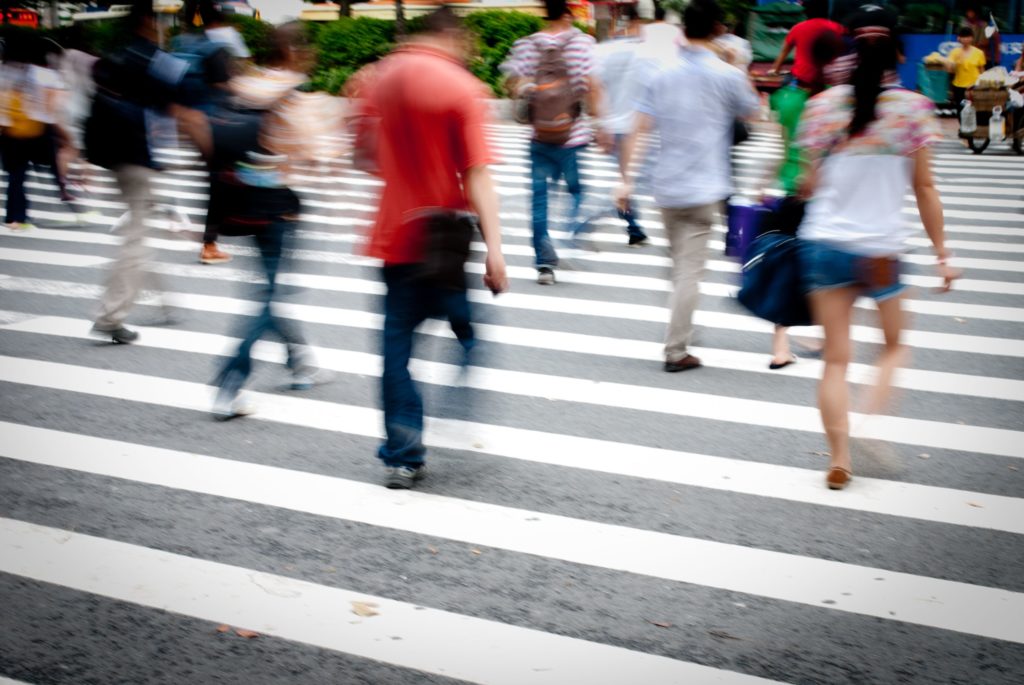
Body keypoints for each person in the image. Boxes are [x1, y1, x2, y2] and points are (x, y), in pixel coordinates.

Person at [795, 14, 958, 490]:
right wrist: (943, 253)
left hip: (825, 243)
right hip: (881, 250)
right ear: (900, 55)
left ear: (849, 50)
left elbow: (806, 184)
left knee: (836, 361)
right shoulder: (913, 110)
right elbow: (925, 188)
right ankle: (869, 416)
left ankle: (840, 457)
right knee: (892, 346)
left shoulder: (822, 107)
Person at [355, 7, 508, 489]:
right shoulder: (461, 88)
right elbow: (477, 174)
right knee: (464, 322)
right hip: (444, 242)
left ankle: (403, 453)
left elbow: (364, 157)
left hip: (395, 237)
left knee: (396, 350)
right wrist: (496, 250)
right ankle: (460, 387)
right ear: (453, 35)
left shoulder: (377, 79)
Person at [616, 0, 760, 373]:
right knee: (688, 272)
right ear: (716, 29)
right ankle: (676, 349)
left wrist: (626, 179)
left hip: (666, 185)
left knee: (679, 265)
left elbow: (640, 128)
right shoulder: (725, 74)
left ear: (682, 32)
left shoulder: (661, 74)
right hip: (704, 187)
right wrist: (736, 65)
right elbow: (753, 112)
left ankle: (681, 325)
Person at [211, 22, 335, 419]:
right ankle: (231, 379)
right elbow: (317, 155)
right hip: (279, 208)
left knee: (269, 287)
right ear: (296, 52)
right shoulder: (291, 94)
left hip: (243, 204)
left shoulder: (248, 85)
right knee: (267, 297)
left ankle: (299, 361)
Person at [88, 0, 211, 343]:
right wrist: (209, 155)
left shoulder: (117, 56)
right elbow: (184, 114)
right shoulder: (155, 61)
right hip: (136, 160)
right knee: (136, 240)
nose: (163, 26)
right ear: (147, 20)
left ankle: (166, 302)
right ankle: (110, 317)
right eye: (159, 20)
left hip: (113, 158)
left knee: (142, 226)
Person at [501, 0, 605, 285]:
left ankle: (544, 265)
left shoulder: (526, 45)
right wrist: (599, 123)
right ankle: (570, 233)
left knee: (539, 200)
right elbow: (593, 85)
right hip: (573, 134)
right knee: (576, 191)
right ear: (567, 14)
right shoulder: (582, 43)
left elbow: (512, 84)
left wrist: (530, 91)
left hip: (540, 136)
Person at [574, 2, 649, 247]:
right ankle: (621, 225)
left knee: (625, 178)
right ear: (636, 23)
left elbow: (593, 88)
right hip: (634, 127)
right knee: (627, 179)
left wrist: (601, 124)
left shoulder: (602, 51)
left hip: (614, 125)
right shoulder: (644, 53)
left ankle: (633, 225)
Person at [0, 31, 69, 230]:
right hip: (35, 130)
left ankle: (14, 217)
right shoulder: (39, 73)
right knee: (52, 163)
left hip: (10, 132)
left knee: (16, 177)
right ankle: (67, 197)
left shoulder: (4, 72)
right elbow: (51, 104)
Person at [947, 27, 987, 112]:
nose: (965, 39)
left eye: (968, 37)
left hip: (973, 87)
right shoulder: (954, 52)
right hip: (958, 86)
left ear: (972, 38)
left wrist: (983, 86)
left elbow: (982, 71)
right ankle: (962, 125)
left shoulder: (979, 53)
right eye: (963, 37)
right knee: (960, 110)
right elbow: (950, 70)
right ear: (959, 38)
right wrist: (952, 64)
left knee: (973, 110)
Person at [961, 5, 999, 70]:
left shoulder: (985, 25)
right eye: (968, 12)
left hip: (984, 57)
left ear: (976, 13)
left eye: (971, 12)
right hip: (971, 55)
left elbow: (987, 41)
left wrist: (975, 47)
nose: (969, 14)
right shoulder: (965, 24)